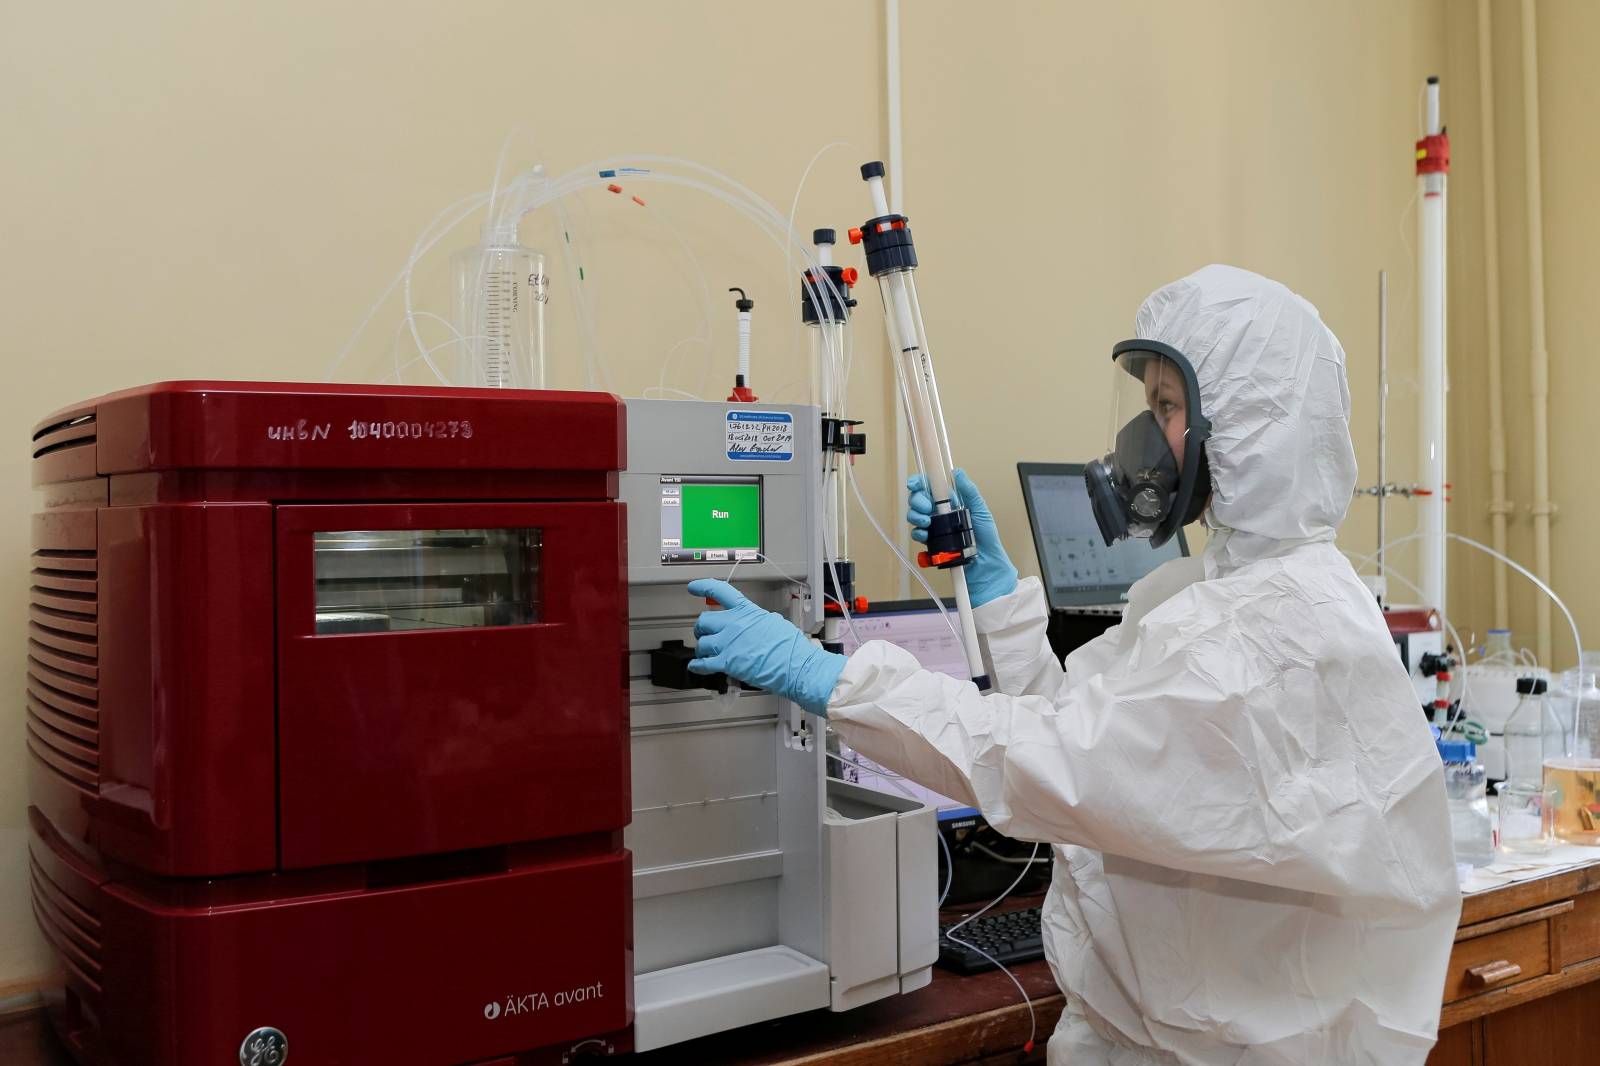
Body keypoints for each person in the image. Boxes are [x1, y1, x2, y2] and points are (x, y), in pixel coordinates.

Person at [687, 264, 1461, 1065]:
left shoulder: (1274, 641)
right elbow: (1085, 731)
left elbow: (1051, 764)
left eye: (1166, 407)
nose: (1141, 435)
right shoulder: (1205, 592)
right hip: (1148, 1034)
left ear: (1247, 426)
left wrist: (833, 680)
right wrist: (996, 594)